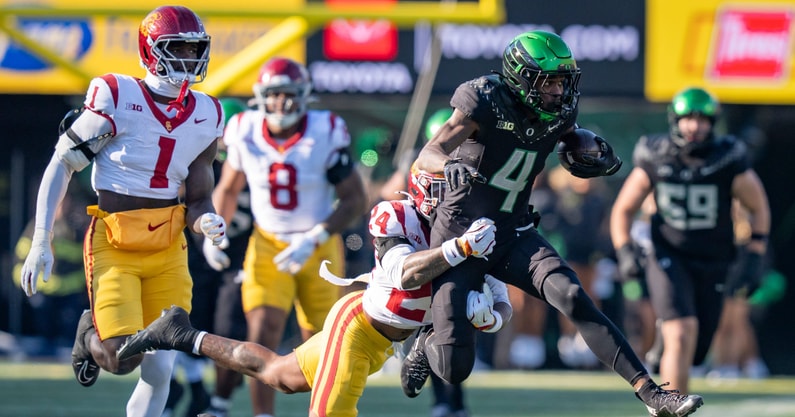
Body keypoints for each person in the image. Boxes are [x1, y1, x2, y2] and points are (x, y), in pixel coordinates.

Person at [410, 30, 703, 417]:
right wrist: (449, 165)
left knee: (573, 295)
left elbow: (567, 137)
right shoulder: (484, 99)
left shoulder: (561, 111)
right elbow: (429, 153)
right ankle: (425, 337)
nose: (558, 90)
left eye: (563, 81)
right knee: (453, 367)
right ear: (520, 77)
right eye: (548, 80)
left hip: (513, 232)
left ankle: (652, 394)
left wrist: (584, 145)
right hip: (461, 236)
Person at [117, 167, 512, 417]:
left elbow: (501, 298)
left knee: (276, 374)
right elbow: (402, 273)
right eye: (452, 194)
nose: (460, 203)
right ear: (427, 194)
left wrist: (491, 316)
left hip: (386, 340)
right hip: (358, 326)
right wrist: (459, 250)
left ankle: (181, 334)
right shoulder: (395, 214)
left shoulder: (472, 229)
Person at [18, 5, 227, 417]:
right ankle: (88, 337)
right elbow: (61, 162)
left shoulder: (208, 113)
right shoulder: (117, 95)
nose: (188, 59)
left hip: (168, 244)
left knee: (162, 361)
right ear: (151, 51)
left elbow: (199, 194)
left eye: (193, 49)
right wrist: (41, 238)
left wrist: (205, 220)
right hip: (115, 240)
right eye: (177, 49)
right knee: (121, 358)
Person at [207, 57, 368, 417]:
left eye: (288, 94)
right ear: (261, 97)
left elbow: (356, 199)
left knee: (326, 343)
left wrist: (314, 237)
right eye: (274, 94)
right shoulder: (245, 130)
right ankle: (263, 414)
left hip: (320, 245)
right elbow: (228, 189)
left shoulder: (324, 131)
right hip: (268, 243)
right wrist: (212, 231)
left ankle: (322, 410)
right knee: (262, 329)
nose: (281, 103)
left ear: (304, 96)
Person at [610, 87, 771, 394]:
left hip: (714, 259)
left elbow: (759, 207)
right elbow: (624, 209)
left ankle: (664, 347)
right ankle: (671, 405)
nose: (694, 126)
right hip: (668, 254)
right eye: (688, 119)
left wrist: (754, 256)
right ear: (675, 120)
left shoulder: (727, 157)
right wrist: (625, 250)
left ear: (714, 122)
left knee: (696, 348)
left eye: (702, 119)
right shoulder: (656, 154)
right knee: (681, 332)